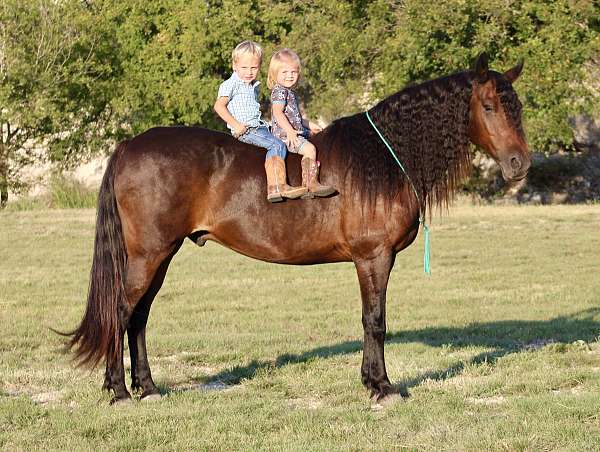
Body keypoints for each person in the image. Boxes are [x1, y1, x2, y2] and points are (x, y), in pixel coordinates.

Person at [214, 40, 305, 202]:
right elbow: (219, 106)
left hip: (257, 126)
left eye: (253, 68)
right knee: (277, 145)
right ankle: (276, 185)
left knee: (278, 135)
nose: (249, 72)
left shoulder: (251, 86)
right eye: (244, 68)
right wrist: (236, 125)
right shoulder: (231, 84)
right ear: (234, 65)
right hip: (246, 129)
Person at [267, 49, 335, 199]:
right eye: (284, 72)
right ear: (274, 74)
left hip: (294, 130)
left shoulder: (290, 93)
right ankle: (310, 184)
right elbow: (278, 113)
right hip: (285, 135)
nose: (289, 76)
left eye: (293, 72)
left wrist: (310, 125)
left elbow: (297, 118)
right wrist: (290, 131)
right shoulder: (279, 92)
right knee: (310, 149)